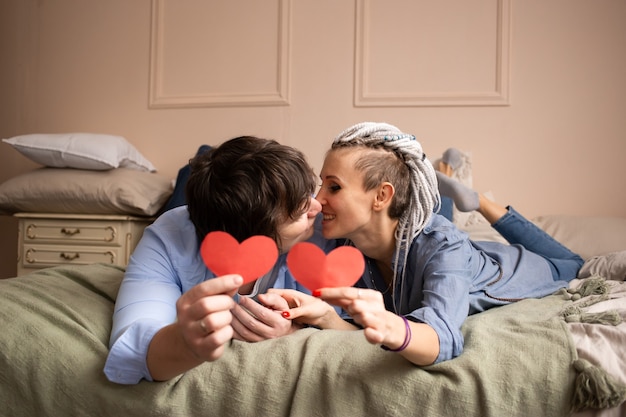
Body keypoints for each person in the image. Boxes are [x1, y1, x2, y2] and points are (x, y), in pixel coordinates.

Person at [274, 122, 584, 367]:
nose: (318, 200)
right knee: (429, 228)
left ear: (381, 196)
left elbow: (442, 339)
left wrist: (389, 322)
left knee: (575, 264)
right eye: (321, 185)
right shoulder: (344, 243)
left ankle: (479, 203)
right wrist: (324, 317)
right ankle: (445, 181)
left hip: (513, 269)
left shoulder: (444, 245)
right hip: (447, 246)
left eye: (334, 187)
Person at [104, 136, 335, 384]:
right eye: (299, 211)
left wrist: (295, 330)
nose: (317, 207)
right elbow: (133, 350)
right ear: (254, 236)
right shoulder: (167, 238)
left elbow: (350, 322)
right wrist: (185, 344)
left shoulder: (327, 225)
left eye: (307, 193)